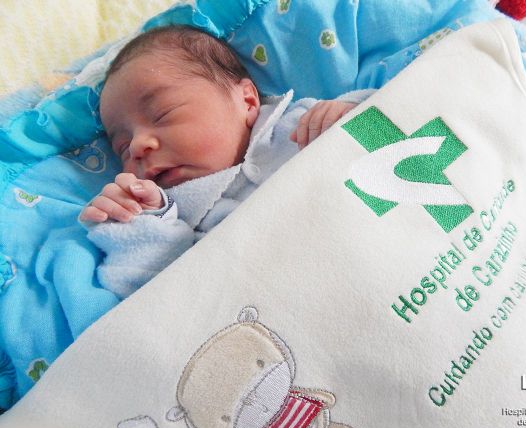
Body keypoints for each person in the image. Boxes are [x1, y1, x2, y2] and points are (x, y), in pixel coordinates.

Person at [80, 25, 373, 299]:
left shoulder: (300, 126)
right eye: (122, 148)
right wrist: (139, 224)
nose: (137, 146)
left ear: (247, 100)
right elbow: (152, 298)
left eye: (162, 114)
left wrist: (353, 114)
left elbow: (395, 128)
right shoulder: (176, 220)